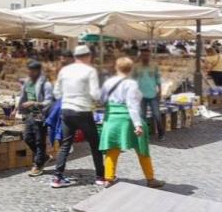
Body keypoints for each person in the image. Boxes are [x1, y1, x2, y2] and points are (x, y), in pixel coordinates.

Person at [99, 57, 165, 189]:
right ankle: (150, 179)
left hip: (111, 118)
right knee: (142, 149)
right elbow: (132, 105)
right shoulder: (131, 84)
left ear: (116, 67)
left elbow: (102, 99)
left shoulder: (108, 82)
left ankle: (108, 179)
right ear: (130, 69)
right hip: (127, 119)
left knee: (112, 149)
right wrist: (138, 124)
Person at [52, 45, 104, 188]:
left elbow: (56, 93)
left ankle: (57, 178)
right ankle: (100, 177)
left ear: (75, 56)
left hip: (66, 110)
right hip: (83, 110)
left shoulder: (64, 70)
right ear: (88, 56)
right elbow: (95, 94)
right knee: (95, 144)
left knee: (65, 144)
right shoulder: (90, 70)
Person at [18, 60, 54, 177]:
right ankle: (43, 157)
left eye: (32, 71)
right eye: (29, 70)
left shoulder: (46, 84)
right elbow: (23, 97)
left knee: (39, 141)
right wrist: (16, 109)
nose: (29, 73)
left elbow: (49, 101)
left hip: (41, 116)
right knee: (27, 138)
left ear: (38, 71)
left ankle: (38, 165)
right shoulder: (27, 83)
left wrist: (34, 103)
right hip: (30, 115)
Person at [133, 47, 164, 140]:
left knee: (157, 115)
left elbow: (158, 79)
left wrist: (160, 91)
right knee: (142, 116)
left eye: (147, 55)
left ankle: (161, 133)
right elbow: (132, 80)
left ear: (149, 55)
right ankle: (144, 135)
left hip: (153, 94)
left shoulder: (154, 66)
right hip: (141, 95)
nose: (145, 57)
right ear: (141, 56)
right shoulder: (136, 67)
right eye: (143, 55)